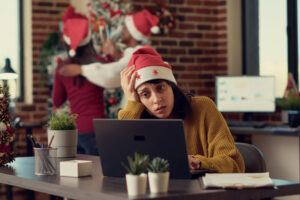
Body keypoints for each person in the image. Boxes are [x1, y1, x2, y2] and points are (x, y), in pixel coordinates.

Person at [118, 46, 245, 173]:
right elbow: (121, 166)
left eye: (161, 88)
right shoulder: (137, 119)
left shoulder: (203, 107)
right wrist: (132, 104)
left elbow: (234, 165)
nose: (156, 99)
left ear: (172, 86)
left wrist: (199, 162)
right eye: (145, 94)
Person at [59, 9, 160, 107]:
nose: (122, 30)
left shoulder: (137, 54)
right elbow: (124, 67)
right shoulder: (133, 53)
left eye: (125, 28)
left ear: (132, 32)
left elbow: (113, 74)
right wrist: (114, 53)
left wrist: (81, 69)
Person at [52, 6, 110, 155]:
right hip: (98, 130)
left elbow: (57, 101)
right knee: (98, 175)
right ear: (88, 39)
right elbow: (111, 75)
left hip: (75, 132)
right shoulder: (100, 63)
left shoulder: (62, 68)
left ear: (66, 41)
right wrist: (109, 56)